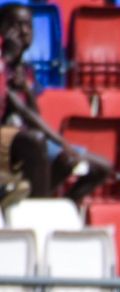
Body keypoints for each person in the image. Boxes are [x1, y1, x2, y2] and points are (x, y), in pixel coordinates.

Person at [0, 4, 111, 205]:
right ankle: (36, 207)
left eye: (28, 26)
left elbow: (33, 113)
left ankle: (59, 206)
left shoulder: (26, 71)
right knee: (50, 149)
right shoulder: (2, 65)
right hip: (12, 141)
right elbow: (21, 111)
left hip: (30, 137)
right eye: (16, 26)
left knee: (101, 167)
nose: (24, 32)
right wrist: (62, 142)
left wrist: (26, 89)